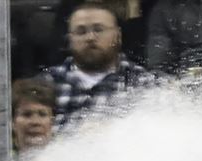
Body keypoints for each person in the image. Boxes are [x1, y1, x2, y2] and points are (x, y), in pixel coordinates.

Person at [42, 1, 156, 131]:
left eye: (98, 29)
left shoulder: (145, 84)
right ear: (69, 39)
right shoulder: (45, 83)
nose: (90, 37)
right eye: (81, 31)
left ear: (118, 35)